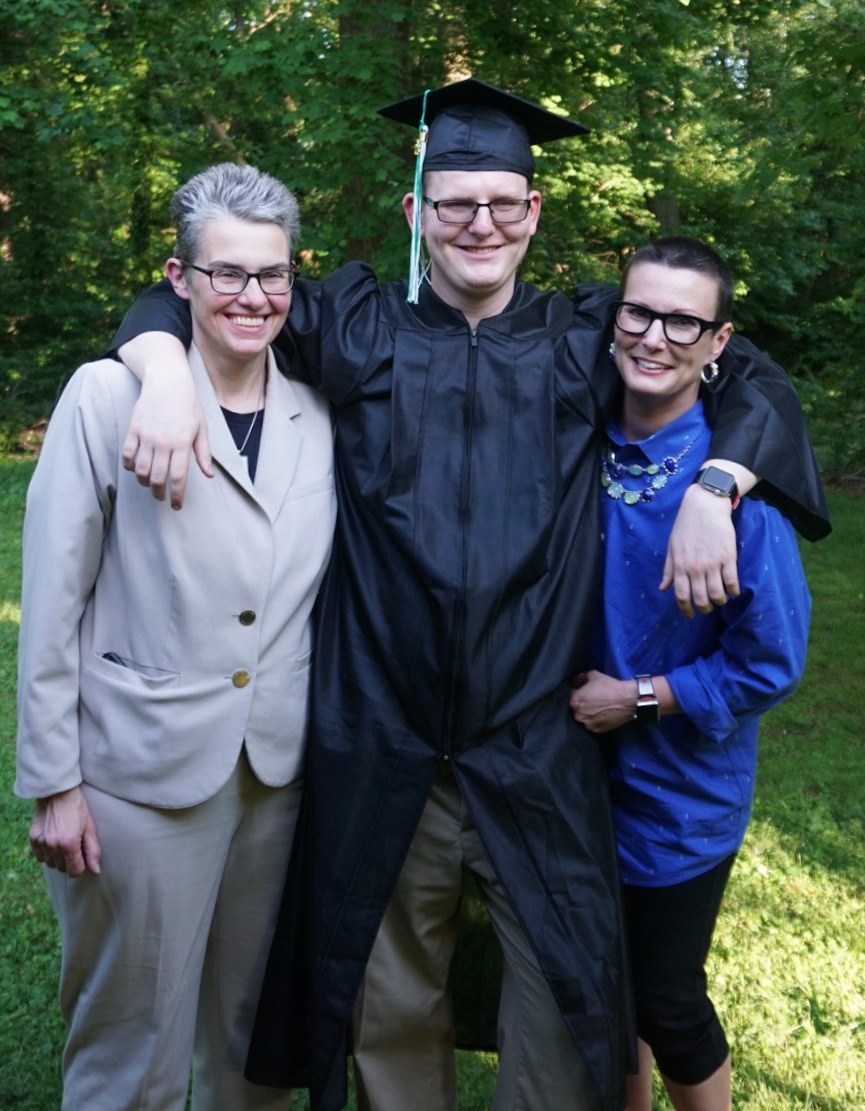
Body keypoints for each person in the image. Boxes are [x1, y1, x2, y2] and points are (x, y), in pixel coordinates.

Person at [109, 80, 830, 1111]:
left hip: (535, 749)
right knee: (389, 1008)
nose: (478, 224)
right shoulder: (356, 328)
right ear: (418, 214)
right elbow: (199, 295)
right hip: (382, 738)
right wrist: (164, 372)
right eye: (454, 203)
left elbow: (748, 373)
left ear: (534, 212)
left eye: (501, 202)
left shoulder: (589, 340)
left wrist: (718, 485)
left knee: (563, 1008)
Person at [14, 163, 336, 1111]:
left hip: (273, 778)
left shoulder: (318, 408)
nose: (252, 296)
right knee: (132, 1049)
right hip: (137, 779)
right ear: (179, 277)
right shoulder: (105, 398)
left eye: (272, 275)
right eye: (226, 273)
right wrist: (55, 783)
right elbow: (53, 601)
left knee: (249, 1045)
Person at [570, 237, 813, 1111]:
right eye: (639, 312)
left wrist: (639, 698)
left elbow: (772, 661)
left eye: (684, 321)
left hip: (677, 793)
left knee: (667, 997)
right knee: (608, 992)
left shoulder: (734, 499)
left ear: (718, 343)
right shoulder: (573, 444)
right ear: (613, 320)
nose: (655, 336)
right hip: (567, 776)